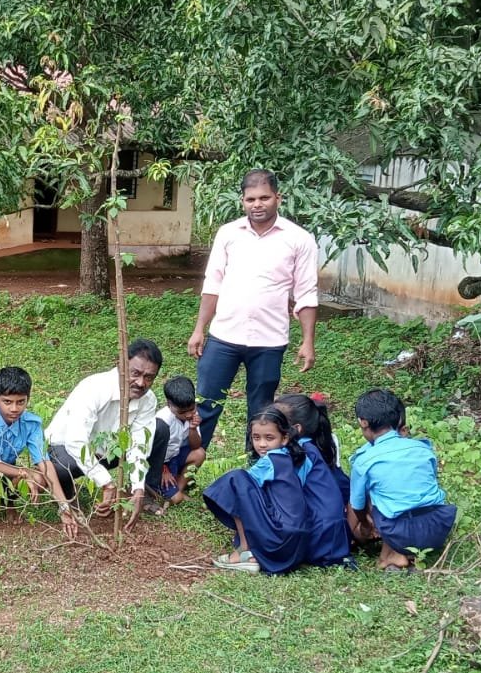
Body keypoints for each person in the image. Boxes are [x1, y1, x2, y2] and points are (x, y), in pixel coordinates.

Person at [187, 169, 320, 450]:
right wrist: (199, 329)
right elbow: (213, 283)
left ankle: (257, 475)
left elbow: (306, 293)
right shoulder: (228, 234)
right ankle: (187, 471)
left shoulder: (299, 239)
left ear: (278, 198)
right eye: (250, 199)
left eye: (264, 198)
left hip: (269, 342)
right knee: (206, 405)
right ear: (242, 201)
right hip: (223, 337)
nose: (257, 204)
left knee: (261, 415)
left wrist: (308, 341)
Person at [44, 339, 163, 529]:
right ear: (120, 364)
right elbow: (76, 442)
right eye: (136, 374)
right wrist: (106, 482)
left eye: (149, 377)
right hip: (65, 449)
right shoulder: (94, 388)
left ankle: (142, 494)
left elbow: (139, 444)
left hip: (109, 452)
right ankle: (66, 494)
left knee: (160, 430)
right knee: (62, 466)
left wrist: (138, 485)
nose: (141, 383)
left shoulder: (148, 401)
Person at [0, 367, 74, 531]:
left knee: (39, 478)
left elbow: (44, 462)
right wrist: (23, 472)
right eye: (7, 402)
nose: (14, 408)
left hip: (7, 470)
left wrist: (63, 506)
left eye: (20, 402)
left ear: (27, 400)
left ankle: (10, 504)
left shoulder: (31, 424)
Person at [347, 389, 457, 571]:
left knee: (366, 497)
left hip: (399, 532)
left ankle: (391, 555)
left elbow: (357, 505)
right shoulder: (423, 449)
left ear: (363, 422)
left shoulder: (364, 460)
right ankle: (407, 554)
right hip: (438, 528)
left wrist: (366, 525)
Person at [202, 407, 311, 574]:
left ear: (284, 438)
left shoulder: (270, 461)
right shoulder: (287, 456)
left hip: (279, 538)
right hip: (296, 546)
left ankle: (245, 549)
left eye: (269, 438)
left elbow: (240, 489)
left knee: (235, 480)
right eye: (256, 437)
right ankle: (251, 551)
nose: (262, 444)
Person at [274, 393, 352, 567]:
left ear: (296, 428)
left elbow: (285, 496)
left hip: (319, 539)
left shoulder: (298, 453)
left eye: (275, 419)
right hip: (334, 538)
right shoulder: (314, 446)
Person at [146, 376, 208, 514]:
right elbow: (150, 451)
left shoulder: (192, 414)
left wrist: (192, 428)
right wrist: (163, 470)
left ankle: (176, 490)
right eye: (182, 412)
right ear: (169, 404)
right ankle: (168, 493)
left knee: (200, 453)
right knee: (177, 499)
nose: (188, 415)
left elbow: (195, 446)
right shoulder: (162, 420)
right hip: (157, 462)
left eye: (191, 409)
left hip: (173, 457)